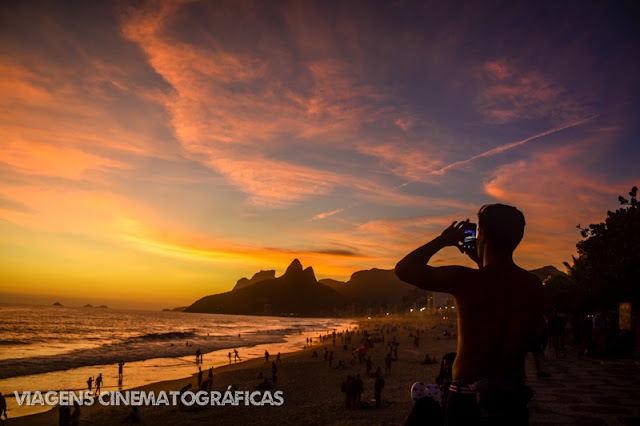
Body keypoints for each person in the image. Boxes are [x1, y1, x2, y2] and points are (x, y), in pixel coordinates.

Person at [395, 204, 543, 425]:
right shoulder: (533, 284)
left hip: (468, 395)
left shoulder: (467, 280)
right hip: (513, 392)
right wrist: (482, 262)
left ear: (482, 235)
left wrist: (443, 240)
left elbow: (404, 269)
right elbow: (538, 340)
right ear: (517, 238)